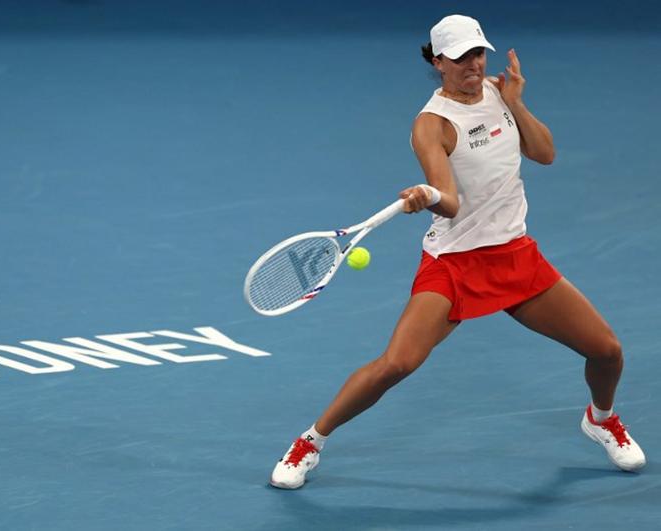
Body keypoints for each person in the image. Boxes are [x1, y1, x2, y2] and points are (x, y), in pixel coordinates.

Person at [269, 14, 646, 490]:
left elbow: (545, 154)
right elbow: (450, 202)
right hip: (454, 264)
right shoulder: (432, 124)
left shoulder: (498, 92)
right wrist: (426, 195)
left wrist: (515, 103)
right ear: (438, 62)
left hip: (515, 255)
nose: (474, 64)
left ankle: (601, 419)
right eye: (461, 56)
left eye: (478, 53)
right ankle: (310, 442)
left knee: (607, 351)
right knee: (397, 364)